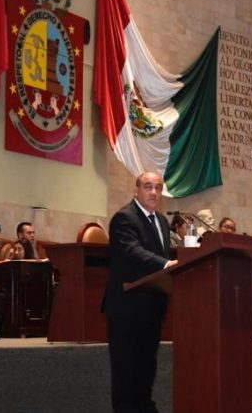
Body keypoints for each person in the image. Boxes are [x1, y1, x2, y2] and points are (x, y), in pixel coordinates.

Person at [103, 172, 178, 413]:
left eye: (158, 187)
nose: (154, 192)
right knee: (126, 366)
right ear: (136, 190)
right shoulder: (125, 218)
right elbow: (133, 251)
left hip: (152, 305)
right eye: (148, 187)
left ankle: (145, 407)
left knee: (147, 365)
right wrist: (166, 265)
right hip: (127, 305)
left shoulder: (162, 222)